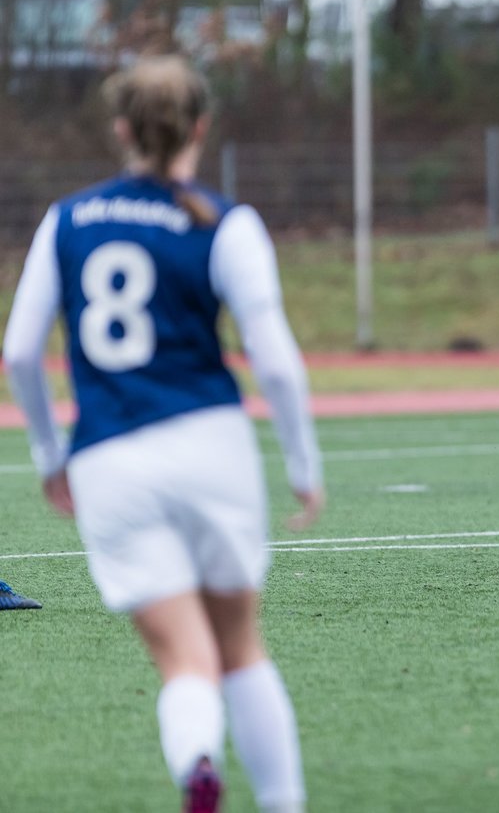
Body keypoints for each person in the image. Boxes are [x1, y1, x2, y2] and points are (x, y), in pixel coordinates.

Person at [3, 55, 323, 813]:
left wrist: (52, 458)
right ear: (200, 128)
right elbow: (274, 363)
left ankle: (199, 762)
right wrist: (304, 465)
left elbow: (19, 353)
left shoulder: (68, 218)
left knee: (184, 659)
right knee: (241, 650)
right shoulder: (225, 221)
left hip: (111, 458)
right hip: (211, 446)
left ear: (121, 129)